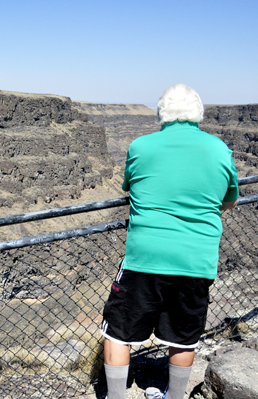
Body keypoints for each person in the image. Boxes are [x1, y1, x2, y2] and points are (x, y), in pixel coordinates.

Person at [100, 84, 239, 399]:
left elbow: (130, 187)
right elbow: (229, 201)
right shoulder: (219, 149)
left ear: (162, 113)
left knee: (118, 333)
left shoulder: (141, 147)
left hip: (145, 257)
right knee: (183, 336)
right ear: (198, 114)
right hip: (196, 259)